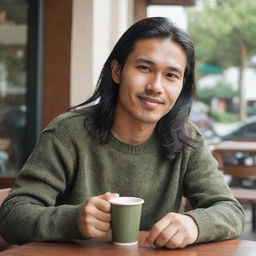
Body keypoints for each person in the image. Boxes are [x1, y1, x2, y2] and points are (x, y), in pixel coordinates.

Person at [0, 17, 244, 249]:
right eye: (144, 68)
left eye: (171, 75)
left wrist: (194, 224)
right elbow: (12, 216)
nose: (156, 87)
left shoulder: (186, 139)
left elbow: (230, 210)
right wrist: (74, 220)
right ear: (117, 71)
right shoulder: (67, 134)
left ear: (181, 85)